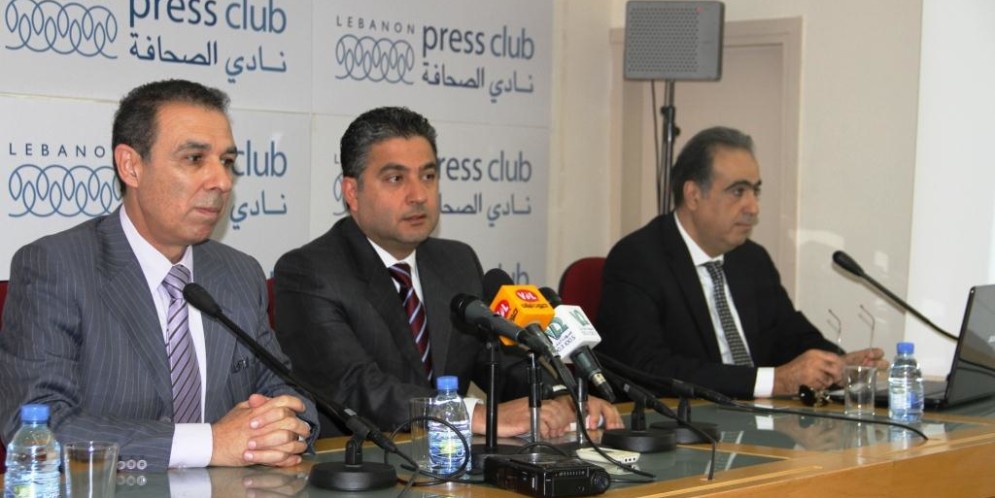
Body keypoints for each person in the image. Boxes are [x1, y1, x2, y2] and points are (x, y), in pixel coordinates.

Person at [0, 79, 318, 471]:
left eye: (227, 161)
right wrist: (210, 443)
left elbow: (288, 393)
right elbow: (38, 425)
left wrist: (283, 427)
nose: (222, 181)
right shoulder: (57, 266)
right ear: (131, 166)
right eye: (194, 159)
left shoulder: (239, 272)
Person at [274, 106, 622, 438]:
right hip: (357, 463)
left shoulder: (456, 261)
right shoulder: (310, 272)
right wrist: (477, 415)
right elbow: (357, 388)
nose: (418, 195)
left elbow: (502, 362)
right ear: (352, 192)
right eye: (395, 178)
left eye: (428, 176)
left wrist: (562, 398)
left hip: (450, 462)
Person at [597, 126, 885, 399]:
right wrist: (774, 382)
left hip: (759, 421)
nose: (753, 208)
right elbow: (646, 368)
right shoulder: (639, 259)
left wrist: (839, 365)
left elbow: (792, 337)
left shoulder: (752, 260)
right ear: (693, 195)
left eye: (755, 191)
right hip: (688, 424)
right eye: (738, 191)